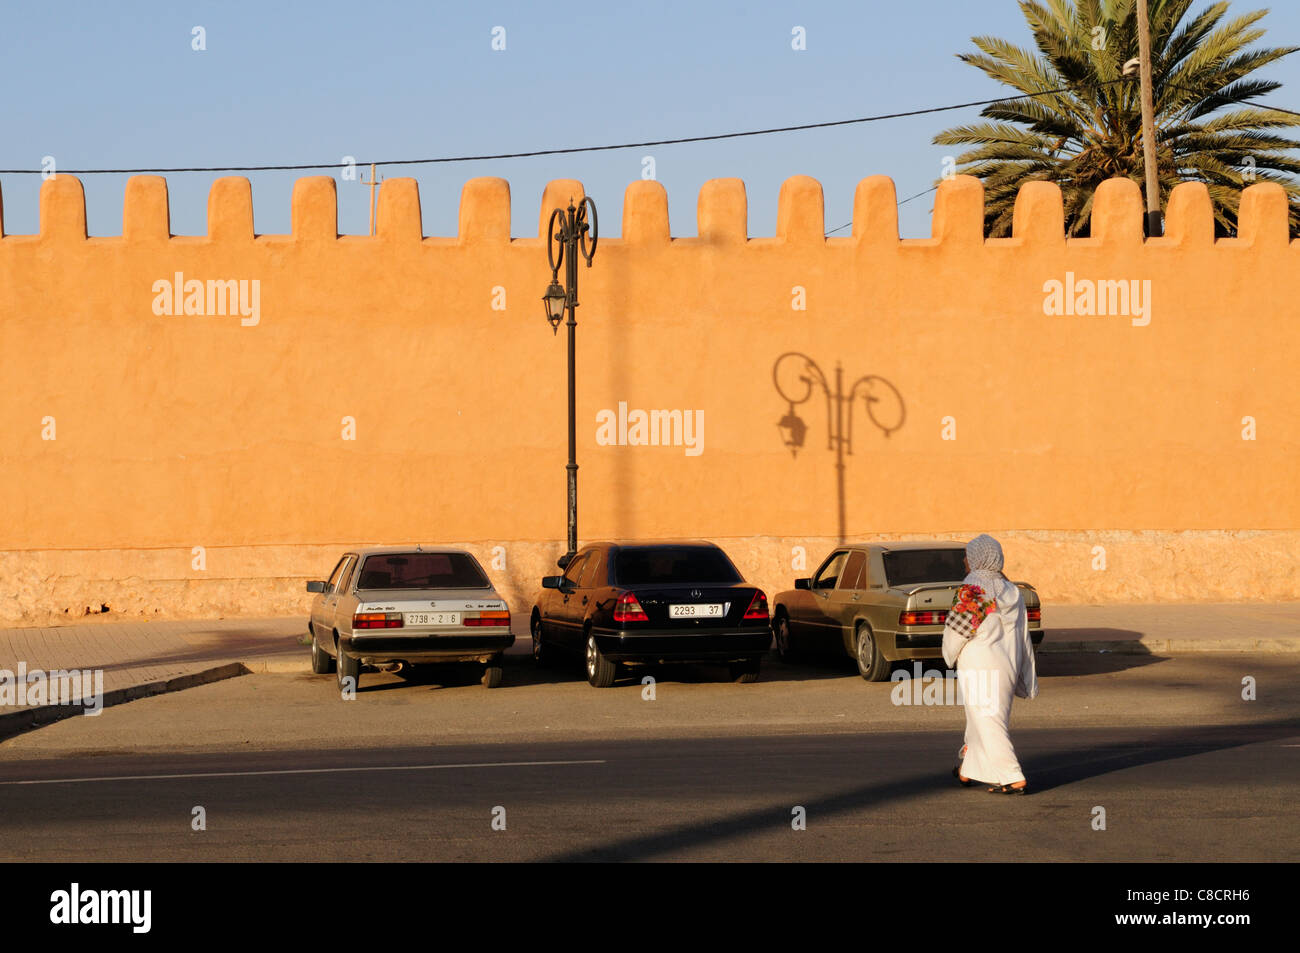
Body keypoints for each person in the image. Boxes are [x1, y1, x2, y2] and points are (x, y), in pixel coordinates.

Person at [943, 534, 1038, 795]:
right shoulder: (1011, 590)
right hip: (1007, 663)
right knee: (981, 717)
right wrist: (1024, 669)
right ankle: (967, 769)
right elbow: (1023, 634)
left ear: (978, 558)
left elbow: (956, 632)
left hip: (978, 664)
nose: (964, 560)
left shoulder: (973, 589)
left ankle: (1011, 775)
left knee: (987, 718)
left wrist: (948, 654)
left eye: (967, 555)